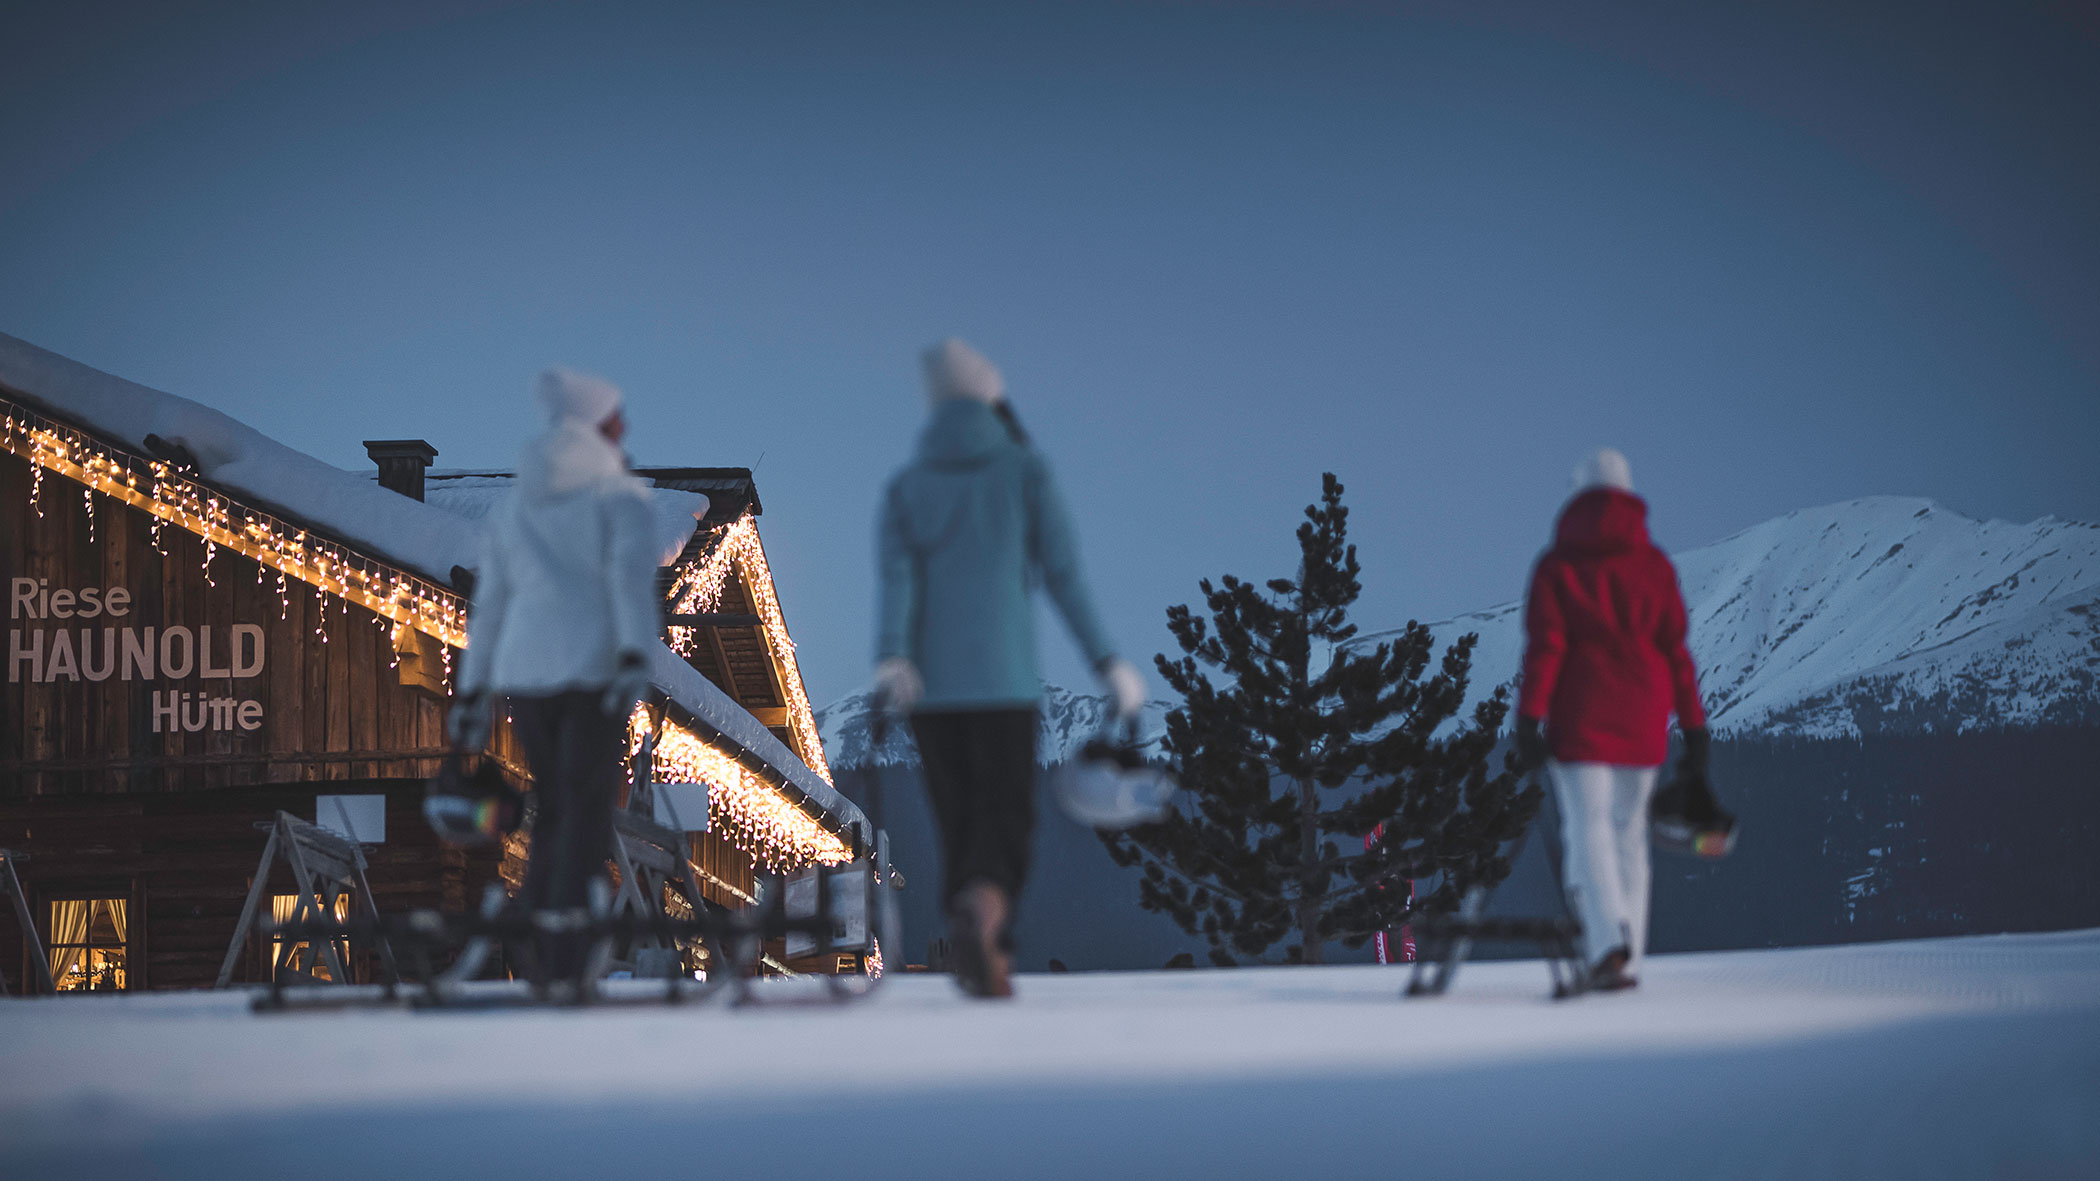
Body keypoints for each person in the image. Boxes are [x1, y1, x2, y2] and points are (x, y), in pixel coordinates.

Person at [875, 338, 1146, 998]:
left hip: (930, 690)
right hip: (1003, 679)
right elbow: (1064, 575)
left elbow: (897, 582)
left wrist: (894, 658)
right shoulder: (1024, 472)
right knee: (1006, 820)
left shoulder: (908, 487)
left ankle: (971, 919)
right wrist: (1107, 659)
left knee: (958, 820)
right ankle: (988, 917)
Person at [447, 367, 660, 988]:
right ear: (602, 426)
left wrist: (474, 689)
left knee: (555, 803)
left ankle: (536, 925)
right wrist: (631, 658)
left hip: (527, 676)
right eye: (620, 421)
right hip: (592, 671)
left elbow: (492, 605)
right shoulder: (620, 498)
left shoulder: (517, 507)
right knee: (585, 805)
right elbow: (627, 583)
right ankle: (566, 938)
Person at [1515, 448, 1707, 992]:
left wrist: (1529, 718)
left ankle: (1607, 945)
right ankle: (1632, 954)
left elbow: (1545, 649)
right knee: (1629, 835)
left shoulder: (1558, 565)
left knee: (1588, 827)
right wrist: (1694, 729)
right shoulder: (1655, 567)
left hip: (1579, 716)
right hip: (1643, 716)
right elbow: (1677, 654)